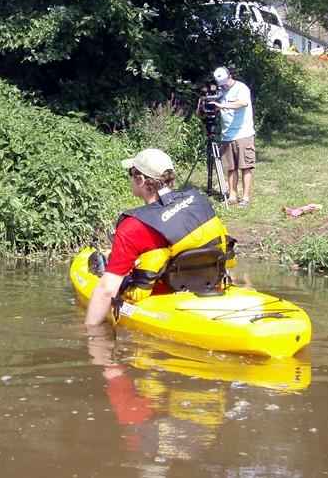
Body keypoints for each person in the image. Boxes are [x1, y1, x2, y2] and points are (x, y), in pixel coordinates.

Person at [84, 148, 234, 326]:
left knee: (109, 272)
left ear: (140, 179)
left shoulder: (133, 227)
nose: (130, 179)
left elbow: (107, 290)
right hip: (207, 289)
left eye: (131, 174)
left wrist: (89, 334)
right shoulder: (197, 202)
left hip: (161, 301)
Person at [210, 66, 255, 206]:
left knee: (245, 166)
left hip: (243, 133)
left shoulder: (241, 88)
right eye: (220, 84)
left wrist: (222, 106)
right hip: (227, 135)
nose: (222, 86)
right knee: (231, 167)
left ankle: (246, 198)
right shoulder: (220, 92)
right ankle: (232, 197)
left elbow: (243, 103)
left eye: (224, 83)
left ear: (230, 76)